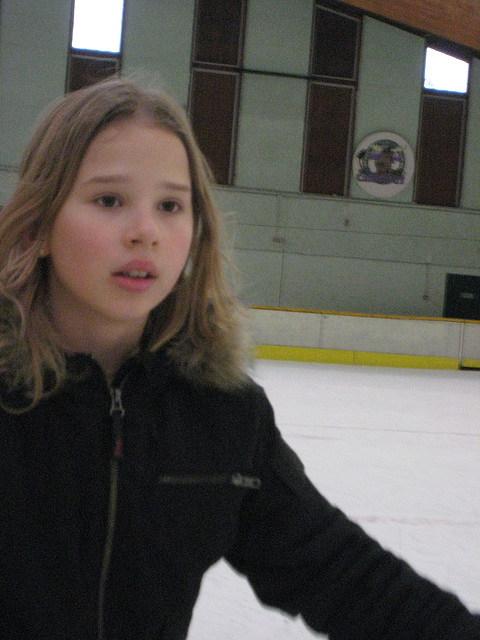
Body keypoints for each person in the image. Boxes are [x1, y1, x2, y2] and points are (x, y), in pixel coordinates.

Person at [0, 77, 478, 640]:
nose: (146, 232)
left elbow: (339, 573)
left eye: (171, 205)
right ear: (39, 226)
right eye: (109, 200)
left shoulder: (222, 414)